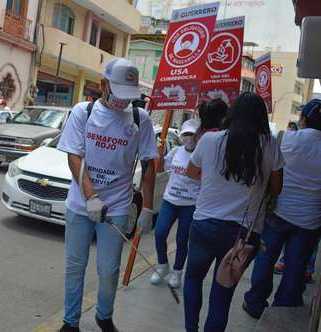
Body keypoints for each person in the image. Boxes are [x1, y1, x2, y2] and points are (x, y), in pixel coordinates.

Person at [57, 58, 158, 332]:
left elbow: (149, 164)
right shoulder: (83, 112)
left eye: (128, 97)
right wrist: (90, 196)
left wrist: (147, 207)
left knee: (109, 270)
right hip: (80, 205)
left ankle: (104, 315)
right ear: (102, 85)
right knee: (75, 267)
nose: (122, 102)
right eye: (117, 94)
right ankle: (70, 322)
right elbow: (74, 158)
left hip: (117, 207)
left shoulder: (140, 119)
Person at [183, 92, 284, 332]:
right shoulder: (269, 145)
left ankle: (190, 329)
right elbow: (276, 188)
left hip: (205, 225)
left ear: (232, 113)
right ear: (261, 117)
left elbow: (191, 173)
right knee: (223, 294)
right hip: (243, 235)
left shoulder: (210, 140)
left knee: (193, 279)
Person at [243, 99, 321, 319]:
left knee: (265, 258)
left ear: (303, 119)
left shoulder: (283, 139)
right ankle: (283, 307)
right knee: (296, 265)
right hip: (309, 220)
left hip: (278, 211)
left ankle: (255, 302)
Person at [150, 119, 201, 289]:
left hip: (189, 204)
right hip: (170, 201)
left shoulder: (201, 156)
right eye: (186, 134)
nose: (189, 138)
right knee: (159, 233)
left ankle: (177, 272)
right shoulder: (175, 152)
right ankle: (162, 265)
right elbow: (162, 170)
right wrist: (157, 152)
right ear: (181, 135)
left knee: (181, 239)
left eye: (192, 135)